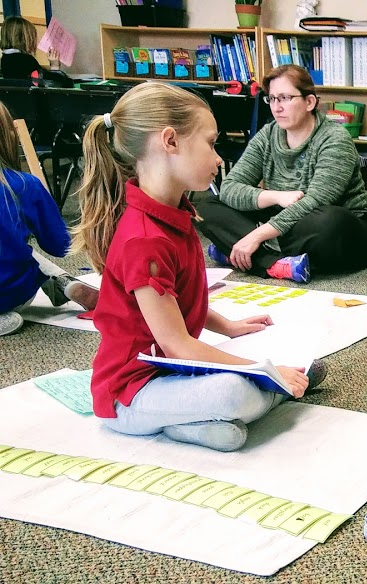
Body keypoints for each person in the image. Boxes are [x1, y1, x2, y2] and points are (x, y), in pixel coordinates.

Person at [72, 82, 326, 452]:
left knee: (236, 387)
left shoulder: (173, 213)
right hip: (129, 397)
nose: (219, 158)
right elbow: (176, 343)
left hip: (166, 375)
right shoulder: (145, 239)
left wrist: (227, 326)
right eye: (210, 143)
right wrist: (266, 373)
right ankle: (274, 392)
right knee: (234, 390)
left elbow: (177, 300)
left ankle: (195, 424)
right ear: (170, 141)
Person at [196, 65, 367, 283]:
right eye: (272, 99)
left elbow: (317, 200)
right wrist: (276, 196)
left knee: (329, 222)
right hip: (284, 219)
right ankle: (274, 263)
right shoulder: (268, 135)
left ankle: (239, 250)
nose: (277, 107)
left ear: (309, 102)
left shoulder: (335, 138)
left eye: (285, 98)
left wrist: (256, 235)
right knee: (207, 207)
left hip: (342, 227)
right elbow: (230, 187)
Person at [0, 101, 98, 337]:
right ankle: (63, 281)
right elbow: (60, 245)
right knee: (20, 250)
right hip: (15, 295)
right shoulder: (26, 185)